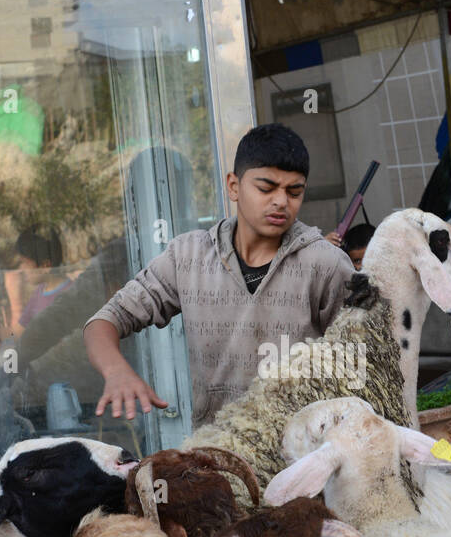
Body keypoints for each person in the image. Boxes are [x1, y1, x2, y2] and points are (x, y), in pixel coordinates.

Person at [83, 124, 356, 427]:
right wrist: (116, 371)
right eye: (266, 188)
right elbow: (104, 321)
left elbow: (360, 365)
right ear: (233, 186)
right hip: (217, 455)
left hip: (302, 461)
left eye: (294, 191)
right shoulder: (188, 257)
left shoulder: (326, 264)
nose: (281, 201)